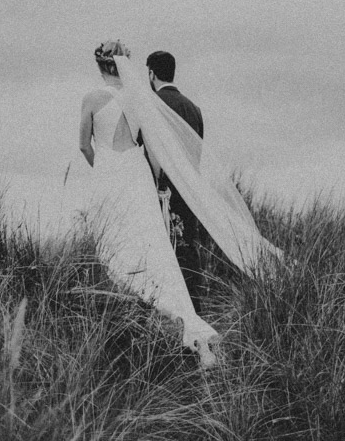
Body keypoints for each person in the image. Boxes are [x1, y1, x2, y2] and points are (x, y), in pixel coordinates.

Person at [78, 40, 281, 365]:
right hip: (138, 173)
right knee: (154, 243)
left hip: (111, 173)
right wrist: (157, 182)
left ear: (100, 66)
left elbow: (84, 146)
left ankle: (128, 306)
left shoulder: (92, 98)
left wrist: (102, 169)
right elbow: (156, 149)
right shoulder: (139, 100)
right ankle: (183, 315)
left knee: (114, 244)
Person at [145, 50, 211, 314]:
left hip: (164, 191)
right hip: (189, 191)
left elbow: (150, 151)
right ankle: (195, 311)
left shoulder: (152, 105)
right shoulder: (194, 109)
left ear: (151, 73)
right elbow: (198, 151)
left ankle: (171, 316)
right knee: (188, 252)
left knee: (164, 252)